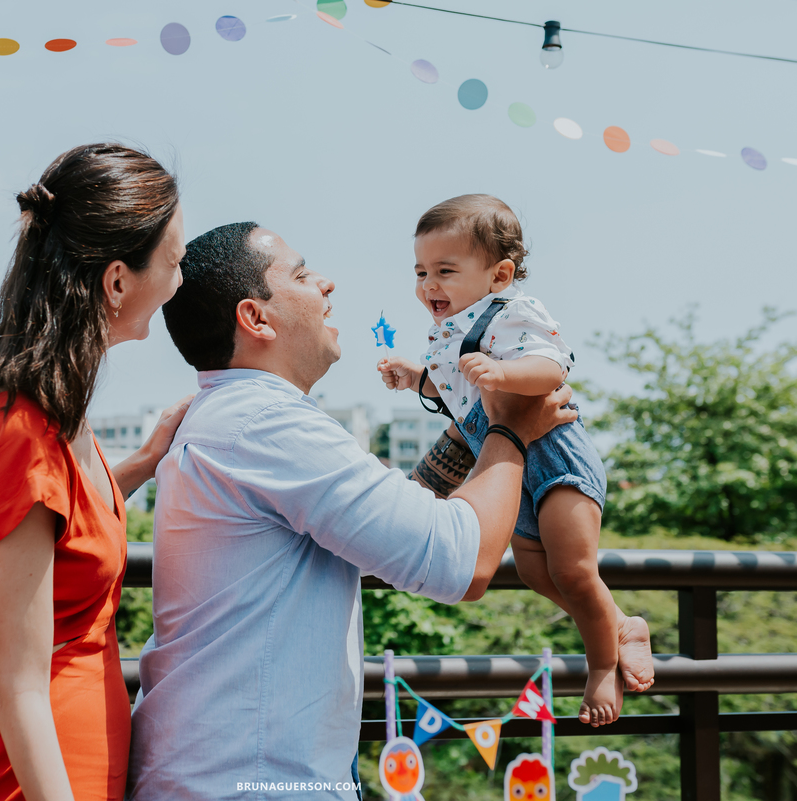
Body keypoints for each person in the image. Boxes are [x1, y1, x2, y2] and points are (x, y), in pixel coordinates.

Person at [126, 222, 577, 800]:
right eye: (300, 273)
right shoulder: (269, 424)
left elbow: (389, 525)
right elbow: (462, 560)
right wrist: (511, 425)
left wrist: (472, 431)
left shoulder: (232, 417)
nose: (327, 283)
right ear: (255, 318)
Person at [0, 143, 193, 801]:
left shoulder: (48, 409)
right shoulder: (21, 428)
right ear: (116, 281)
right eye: (174, 262)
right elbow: (18, 683)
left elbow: (62, 526)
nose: (180, 282)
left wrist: (143, 462)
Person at [376, 194, 654, 726]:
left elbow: (552, 369)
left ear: (500, 274)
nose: (429, 285)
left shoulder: (512, 313)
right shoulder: (448, 332)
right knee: (534, 571)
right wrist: (415, 377)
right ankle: (622, 623)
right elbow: (457, 389)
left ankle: (600, 665)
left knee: (573, 571)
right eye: (420, 272)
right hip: (509, 471)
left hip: (554, 460)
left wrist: (505, 376)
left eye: (445, 271)